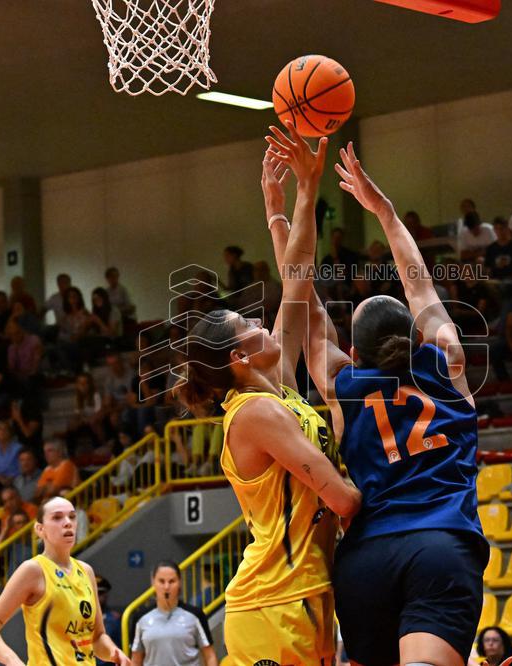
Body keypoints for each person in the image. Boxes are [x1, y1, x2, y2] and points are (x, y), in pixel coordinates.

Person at [178, 128, 361, 666]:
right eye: (250, 325)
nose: (263, 323)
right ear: (239, 357)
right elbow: (343, 499)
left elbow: (297, 280)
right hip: (273, 601)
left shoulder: (275, 386)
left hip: (304, 592)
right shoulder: (254, 413)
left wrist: (293, 200)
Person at [307, 140, 487, 666]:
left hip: (366, 558)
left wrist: (289, 213)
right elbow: (421, 287)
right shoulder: (446, 359)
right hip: (440, 544)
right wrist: (384, 211)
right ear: (416, 335)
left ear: (355, 352)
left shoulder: (342, 386)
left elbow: (308, 315)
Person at [0, 497, 130, 665]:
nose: (68, 523)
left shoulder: (86, 571)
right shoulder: (33, 570)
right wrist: (12, 661)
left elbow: (97, 637)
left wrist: (114, 652)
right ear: (40, 529)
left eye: (72, 516)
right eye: (57, 517)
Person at [130, 561, 218, 666]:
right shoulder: (140, 618)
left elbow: (210, 656)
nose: (166, 587)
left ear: (179, 583)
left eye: (172, 581)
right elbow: (136, 660)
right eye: (161, 581)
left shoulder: (196, 615)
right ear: (153, 582)